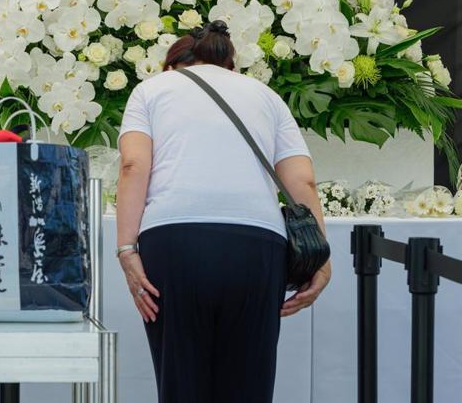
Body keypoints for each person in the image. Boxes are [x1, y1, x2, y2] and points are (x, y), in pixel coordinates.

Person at [115, 20, 331, 403]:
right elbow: (303, 181)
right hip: (257, 245)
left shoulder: (151, 90)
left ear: (174, 64)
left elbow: (133, 165)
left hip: (174, 242)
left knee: (182, 384)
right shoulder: (266, 96)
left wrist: (126, 250)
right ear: (231, 64)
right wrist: (321, 260)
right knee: (248, 386)